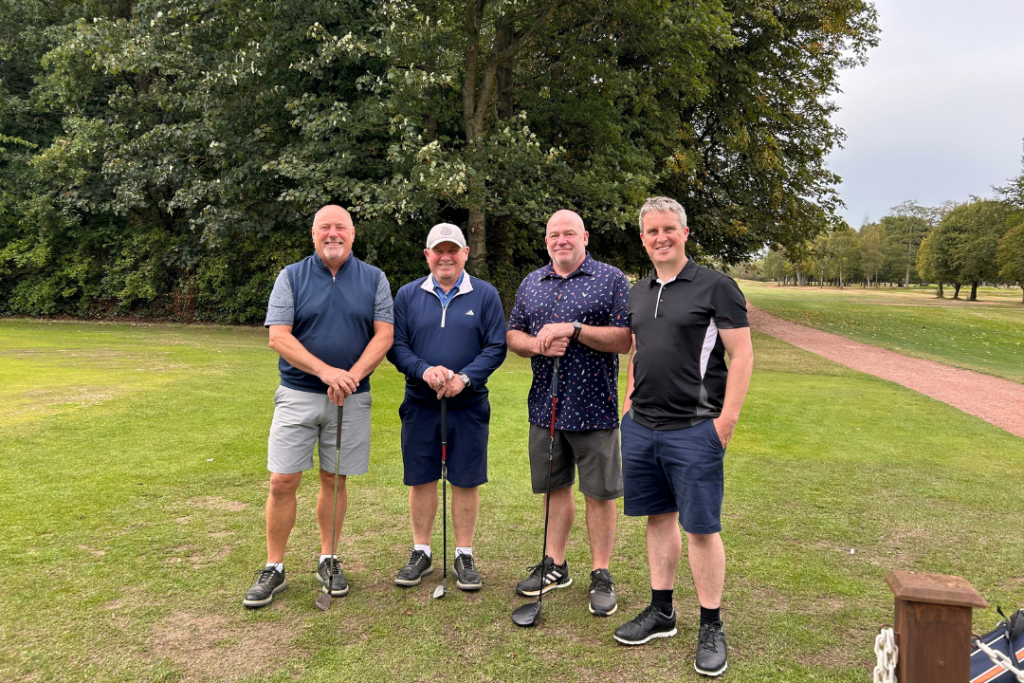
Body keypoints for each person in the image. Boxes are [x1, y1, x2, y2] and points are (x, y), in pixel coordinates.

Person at [613, 197, 753, 678]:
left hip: (695, 429)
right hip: (642, 427)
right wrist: (628, 405)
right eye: (652, 231)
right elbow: (638, 351)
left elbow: (742, 355)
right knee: (658, 518)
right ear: (643, 239)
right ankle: (662, 611)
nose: (661, 237)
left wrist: (726, 422)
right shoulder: (637, 291)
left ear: (685, 233)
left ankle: (711, 625)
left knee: (701, 528)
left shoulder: (717, 286)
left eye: (669, 228)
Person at [243, 205, 394, 608]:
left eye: (340, 227)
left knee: (334, 480)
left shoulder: (374, 278)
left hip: (350, 397)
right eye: (324, 227)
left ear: (352, 234)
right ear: (313, 234)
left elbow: (384, 335)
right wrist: (327, 372)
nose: (333, 233)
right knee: (282, 481)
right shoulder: (291, 276)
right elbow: (278, 337)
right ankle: (274, 566)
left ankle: (328, 558)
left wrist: (351, 377)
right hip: (297, 394)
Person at [506, 209, 632, 617]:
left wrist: (574, 330)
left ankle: (601, 573)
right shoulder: (532, 282)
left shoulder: (611, 279)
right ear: (547, 241)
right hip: (546, 407)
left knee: (599, 493)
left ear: (585, 237)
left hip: (594, 407)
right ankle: (555, 565)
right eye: (554, 235)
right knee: (554, 487)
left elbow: (624, 339)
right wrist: (537, 345)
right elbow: (513, 334)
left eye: (569, 234)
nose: (561, 240)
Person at [388, 223, 507, 590]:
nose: (445, 257)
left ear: (465, 253)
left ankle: (463, 554)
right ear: (427, 255)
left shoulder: (485, 295)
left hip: (468, 405)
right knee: (421, 477)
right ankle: (421, 551)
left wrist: (464, 378)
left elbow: (496, 347)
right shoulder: (407, 295)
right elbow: (397, 345)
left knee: (465, 479)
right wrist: (424, 370)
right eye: (438, 250)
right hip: (420, 404)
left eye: (452, 250)